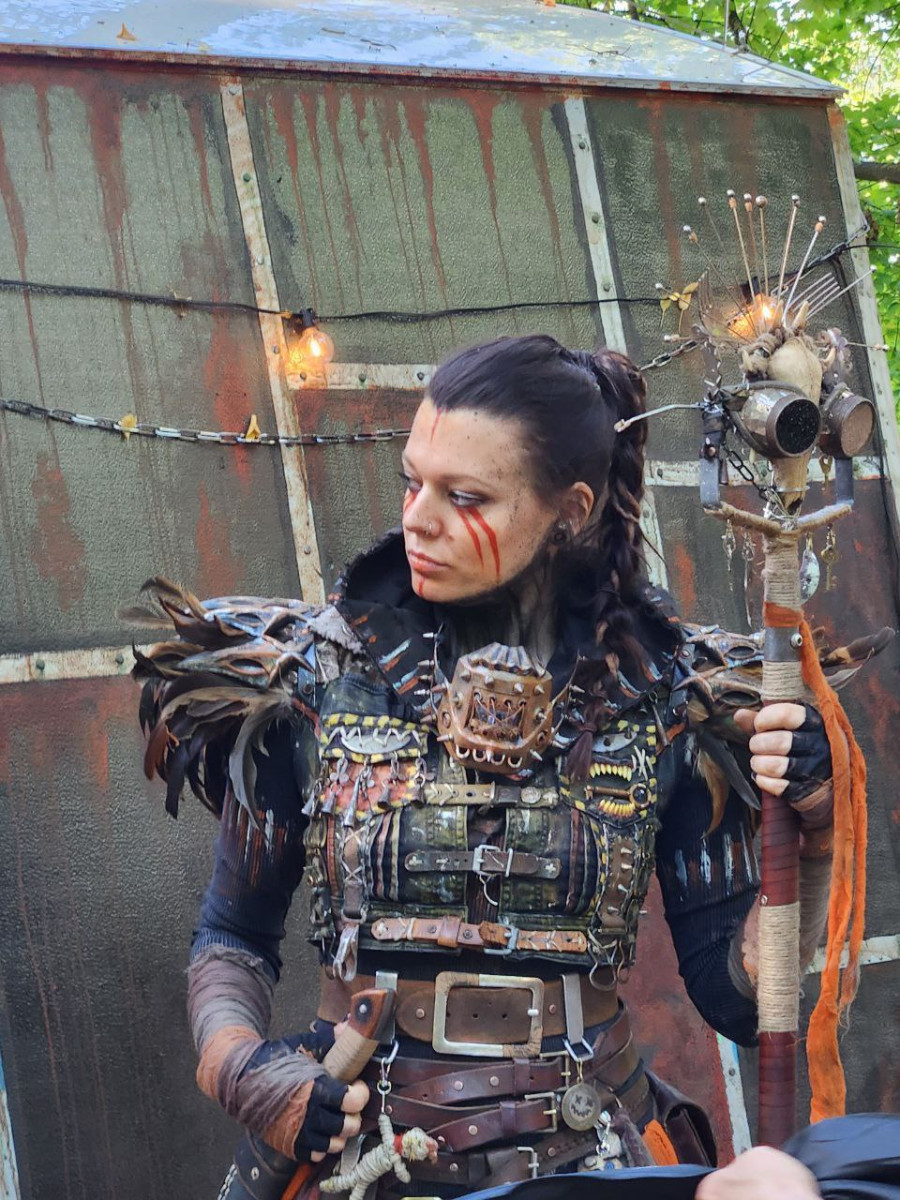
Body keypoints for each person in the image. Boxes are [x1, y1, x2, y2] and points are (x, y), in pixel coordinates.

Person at [136, 335, 837, 1199]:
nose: (417, 518)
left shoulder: (667, 700)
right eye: (412, 482)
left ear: (569, 511)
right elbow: (232, 937)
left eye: (464, 496)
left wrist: (811, 835)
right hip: (361, 1159)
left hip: (583, 1159)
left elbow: (742, 1005)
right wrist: (248, 1075)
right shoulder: (312, 681)